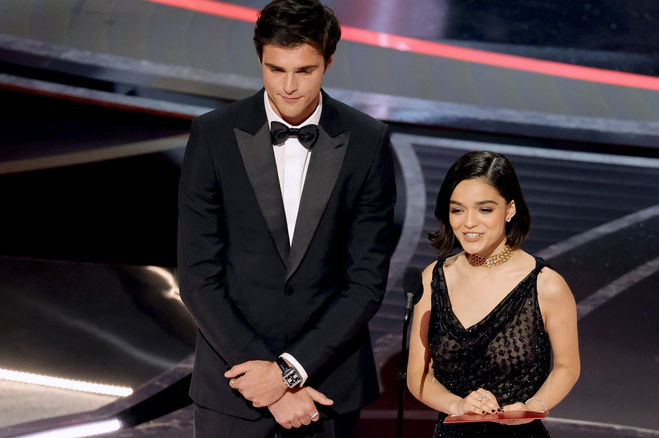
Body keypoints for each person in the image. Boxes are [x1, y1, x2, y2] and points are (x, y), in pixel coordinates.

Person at [176, 0, 397, 436]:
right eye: (276, 69)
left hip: (326, 389)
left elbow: (366, 282)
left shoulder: (368, 141)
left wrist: (290, 372)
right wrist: (267, 381)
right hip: (233, 389)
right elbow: (199, 276)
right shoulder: (213, 134)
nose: (289, 86)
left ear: (328, 62)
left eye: (305, 70)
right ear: (260, 59)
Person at [406, 151, 580, 437]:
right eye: (457, 210)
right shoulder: (433, 278)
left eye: (484, 209)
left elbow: (567, 366)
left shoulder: (546, 285)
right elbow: (418, 374)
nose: (469, 223)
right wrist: (458, 405)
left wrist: (533, 406)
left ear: (509, 210)